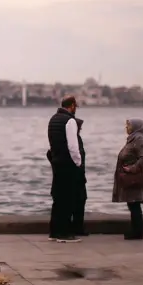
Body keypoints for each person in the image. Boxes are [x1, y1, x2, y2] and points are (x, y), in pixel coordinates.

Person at [47, 95, 83, 243]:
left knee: (58, 198)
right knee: (68, 199)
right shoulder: (70, 121)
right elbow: (73, 146)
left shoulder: (53, 119)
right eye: (76, 106)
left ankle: (54, 232)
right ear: (72, 105)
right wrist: (78, 162)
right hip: (68, 164)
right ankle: (65, 233)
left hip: (56, 162)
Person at [112, 118, 143, 240]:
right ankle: (135, 230)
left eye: (128, 125)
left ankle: (137, 232)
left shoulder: (139, 139)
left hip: (134, 177)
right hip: (129, 177)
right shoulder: (133, 138)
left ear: (136, 127)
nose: (126, 128)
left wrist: (132, 169)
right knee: (132, 204)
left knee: (135, 204)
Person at [70, 118, 88, 237]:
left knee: (80, 200)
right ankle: (77, 227)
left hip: (79, 175)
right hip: (77, 175)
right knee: (79, 201)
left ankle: (78, 227)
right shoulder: (75, 140)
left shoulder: (76, 139)